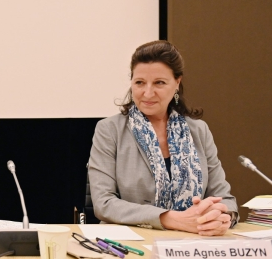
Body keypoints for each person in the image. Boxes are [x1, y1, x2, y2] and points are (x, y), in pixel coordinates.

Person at [88, 41, 238, 236]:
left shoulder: (198, 130)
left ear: (177, 83)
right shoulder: (109, 130)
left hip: (194, 242)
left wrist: (221, 217)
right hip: (131, 244)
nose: (148, 93)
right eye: (139, 82)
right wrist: (171, 219)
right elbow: (104, 204)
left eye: (159, 83)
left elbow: (225, 199)